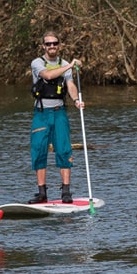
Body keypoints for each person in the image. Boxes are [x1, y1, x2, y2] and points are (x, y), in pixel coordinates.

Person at [28, 30, 85, 204]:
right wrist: (70, 66)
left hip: (59, 112)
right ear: (43, 46)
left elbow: (70, 84)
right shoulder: (37, 63)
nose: (52, 46)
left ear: (59, 45)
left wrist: (76, 100)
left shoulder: (64, 63)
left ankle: (66, 191)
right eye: (48, 44)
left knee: (63, 149)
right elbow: (48, 75)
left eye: (55, 43)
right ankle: (41, 193)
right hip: (42, 113)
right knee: (39, 149)